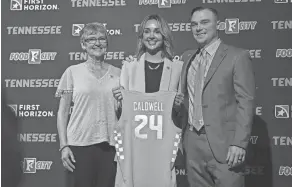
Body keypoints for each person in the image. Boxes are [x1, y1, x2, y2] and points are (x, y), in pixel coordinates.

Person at [179, 7, 256, 187]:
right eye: (194, 24)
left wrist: (239, 143)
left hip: (225, 145)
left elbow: (246, 102)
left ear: (218, 25)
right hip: (192, 143)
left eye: (204, 22)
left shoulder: (237, 56)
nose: (198, 28)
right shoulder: (186, 58)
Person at [112, 14, 184, 186]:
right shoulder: (129, 66)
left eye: (157, 32)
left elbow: (179, 112)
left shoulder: (177, 68)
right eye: (147, 31)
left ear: (164, 35)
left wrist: (178, 106)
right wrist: (119, 100)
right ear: (141, 36)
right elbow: (120, 113)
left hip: (162, 149)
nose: (151, 36)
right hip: (133, 150)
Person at [55, 22, 120, 187]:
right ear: (83, 45)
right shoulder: (72, 72)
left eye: (101, 39)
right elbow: (62, 113)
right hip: (79, 146)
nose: (97, 43)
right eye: (91, 39)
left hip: (110, 147)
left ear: (107, 43)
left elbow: (125, 113)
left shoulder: (120, 74)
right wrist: (64, 146)